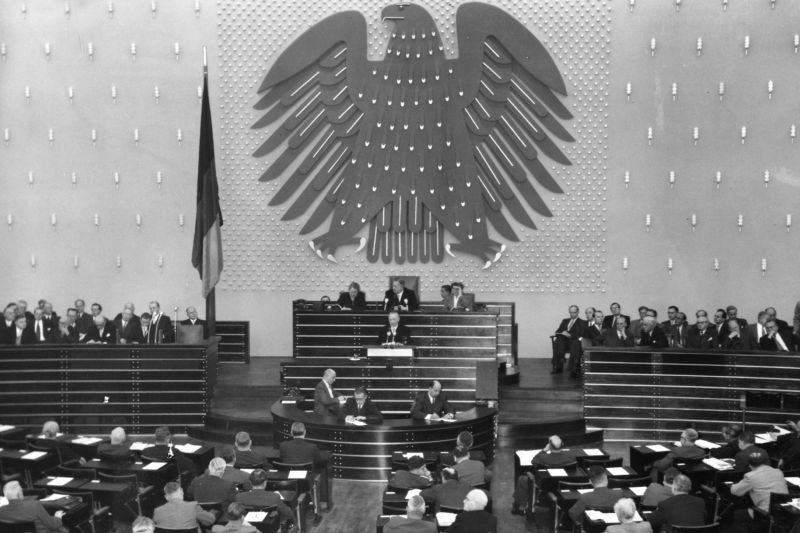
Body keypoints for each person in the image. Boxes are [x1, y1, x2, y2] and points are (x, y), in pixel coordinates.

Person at [511, 435, 576, 514]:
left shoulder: (543, 458)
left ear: (550, 446)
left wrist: (544, 450)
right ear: (562, 444)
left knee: (522, 479)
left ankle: (521, 507)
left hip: (545, 486)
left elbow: (533, 461)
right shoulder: (571, 457)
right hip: (563, 484)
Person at [731, 450, 788, 518]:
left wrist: (734, 484)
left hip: (764, 513)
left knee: (738, 513)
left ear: (749, 465)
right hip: (783, 511)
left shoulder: (750, 476)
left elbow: (735, 491)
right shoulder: (778, 472)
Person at [0, 480, 68, 533]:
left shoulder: (1, 511)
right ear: (19, 494)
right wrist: (57, 517)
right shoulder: (35, 506)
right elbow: (53, 525)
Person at [552, 305, 586, 374]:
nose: (572, 314)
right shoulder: (565, 321)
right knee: (559, 339)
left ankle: (573, 368)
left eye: (574, 312)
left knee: (574, 343)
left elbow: (581, 335)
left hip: (573, 343)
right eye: (570, 312)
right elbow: (557, 331)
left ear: (578, 312)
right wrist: (562, 332)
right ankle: (559, 364)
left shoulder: (582, 322)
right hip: (563, 343)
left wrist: (570, 335)